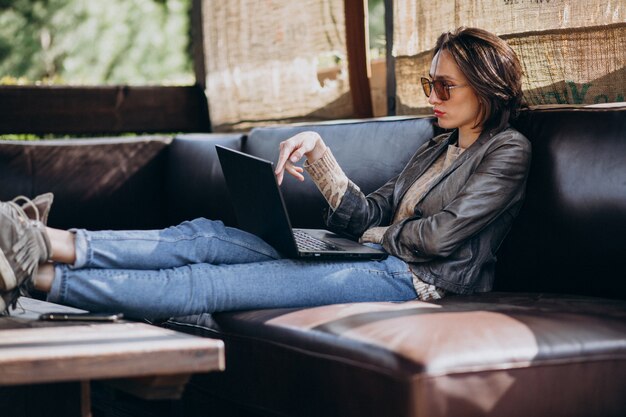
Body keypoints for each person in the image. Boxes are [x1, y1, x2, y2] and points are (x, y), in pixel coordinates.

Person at [0, 27, 531, 318]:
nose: (433, 98)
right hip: (375, 255)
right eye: (428, 85)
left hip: (416, 282)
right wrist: (320, 156)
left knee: (204, 284)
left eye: (446, 87)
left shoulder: (507, 151)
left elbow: (439, 237)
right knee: (203, 235)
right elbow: (364, 215)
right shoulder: (433, 151)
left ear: (486, 87)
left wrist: (372, 236)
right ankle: (38, 240)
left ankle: (37, 279)